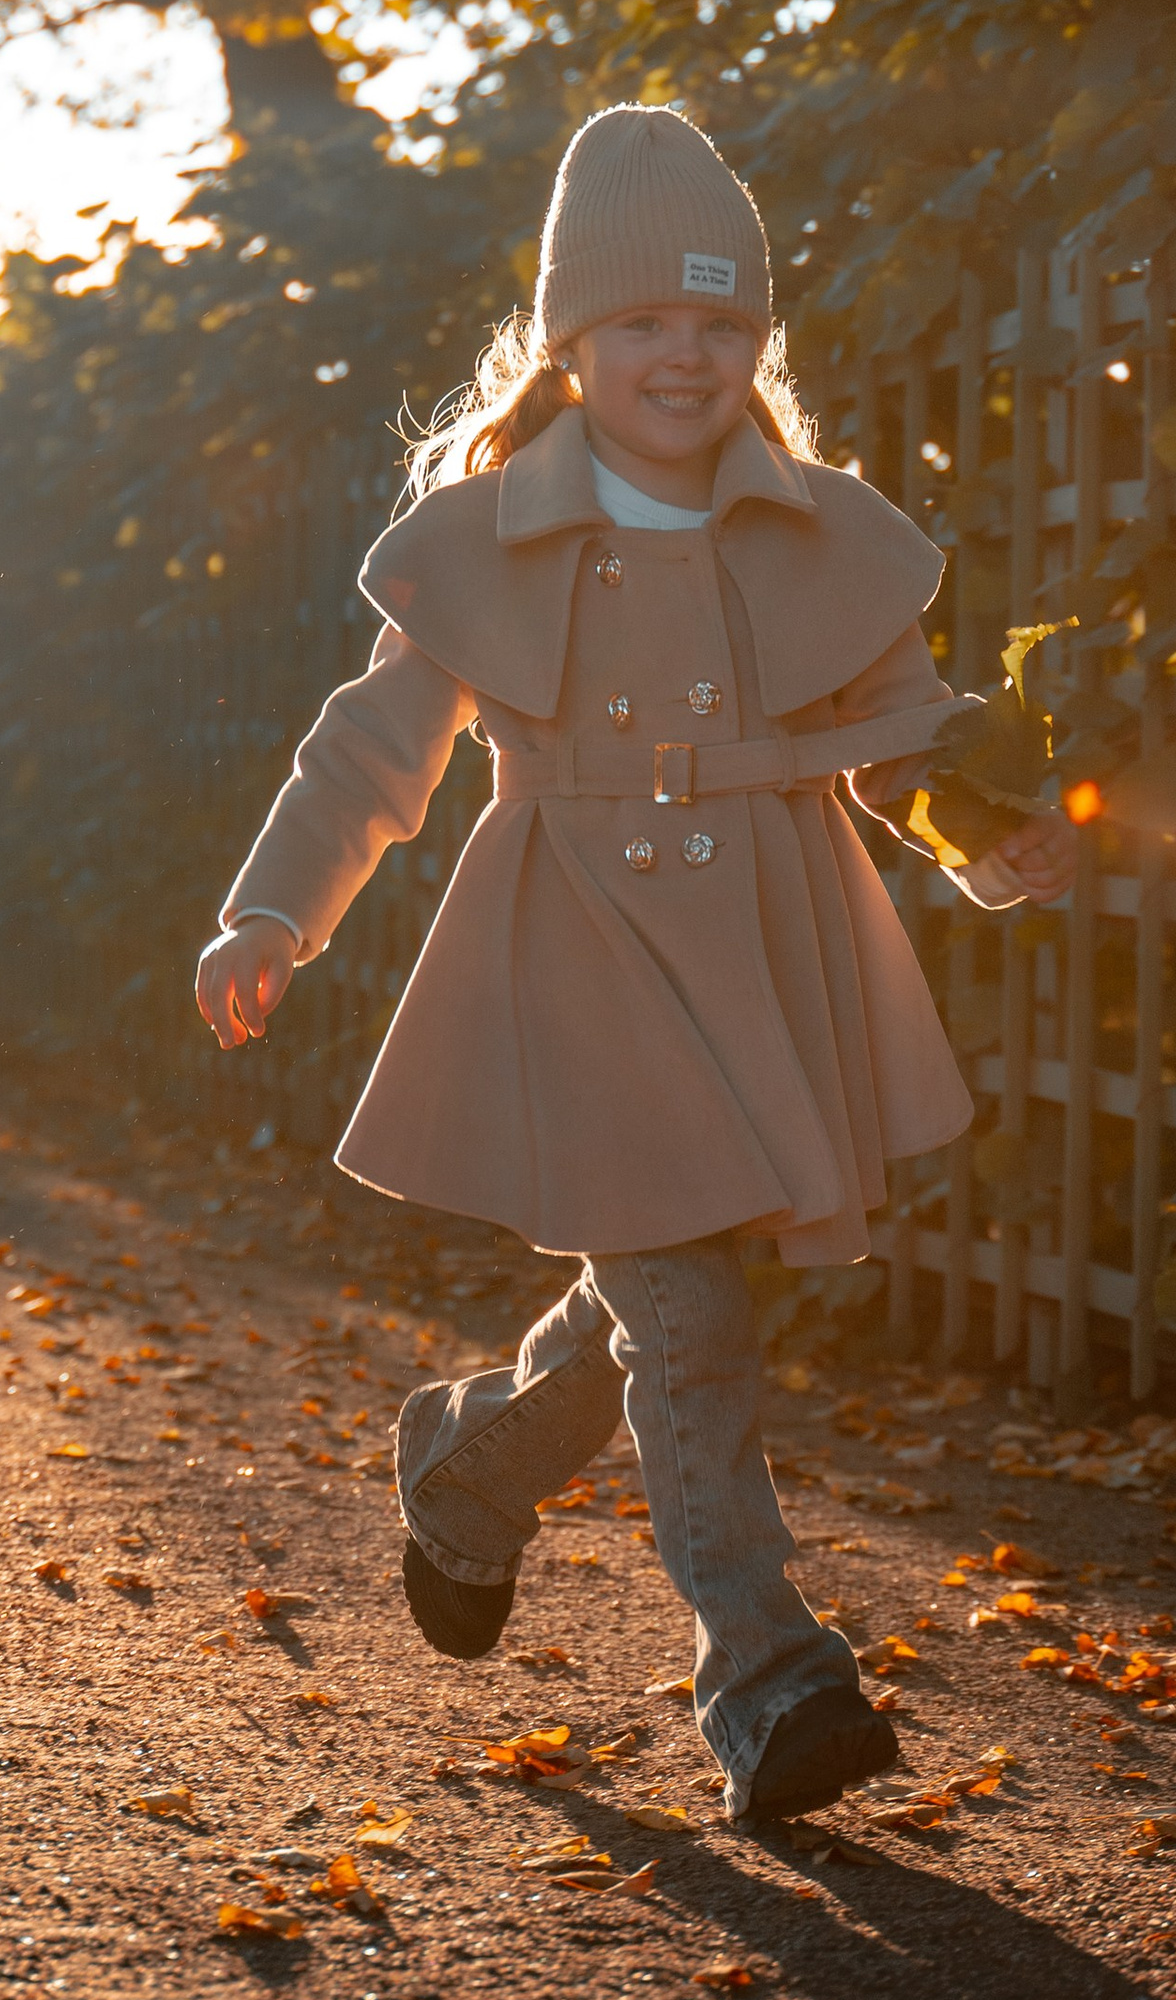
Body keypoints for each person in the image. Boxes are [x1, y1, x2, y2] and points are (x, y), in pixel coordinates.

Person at [195, 106, 1078, 1825]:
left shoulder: (815, 531)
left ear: (759, 339)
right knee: (690, 1315)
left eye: (721, 319)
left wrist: (986, 835)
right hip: (575, 952)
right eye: (645, 320)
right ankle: (767, 1675)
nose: (687, 354)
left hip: (763, 948)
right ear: (571, 341)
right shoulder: (485, 536)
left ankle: (469, 1469)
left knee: (668, 1303)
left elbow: (900, 739)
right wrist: (273, 914)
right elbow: (372, 753)